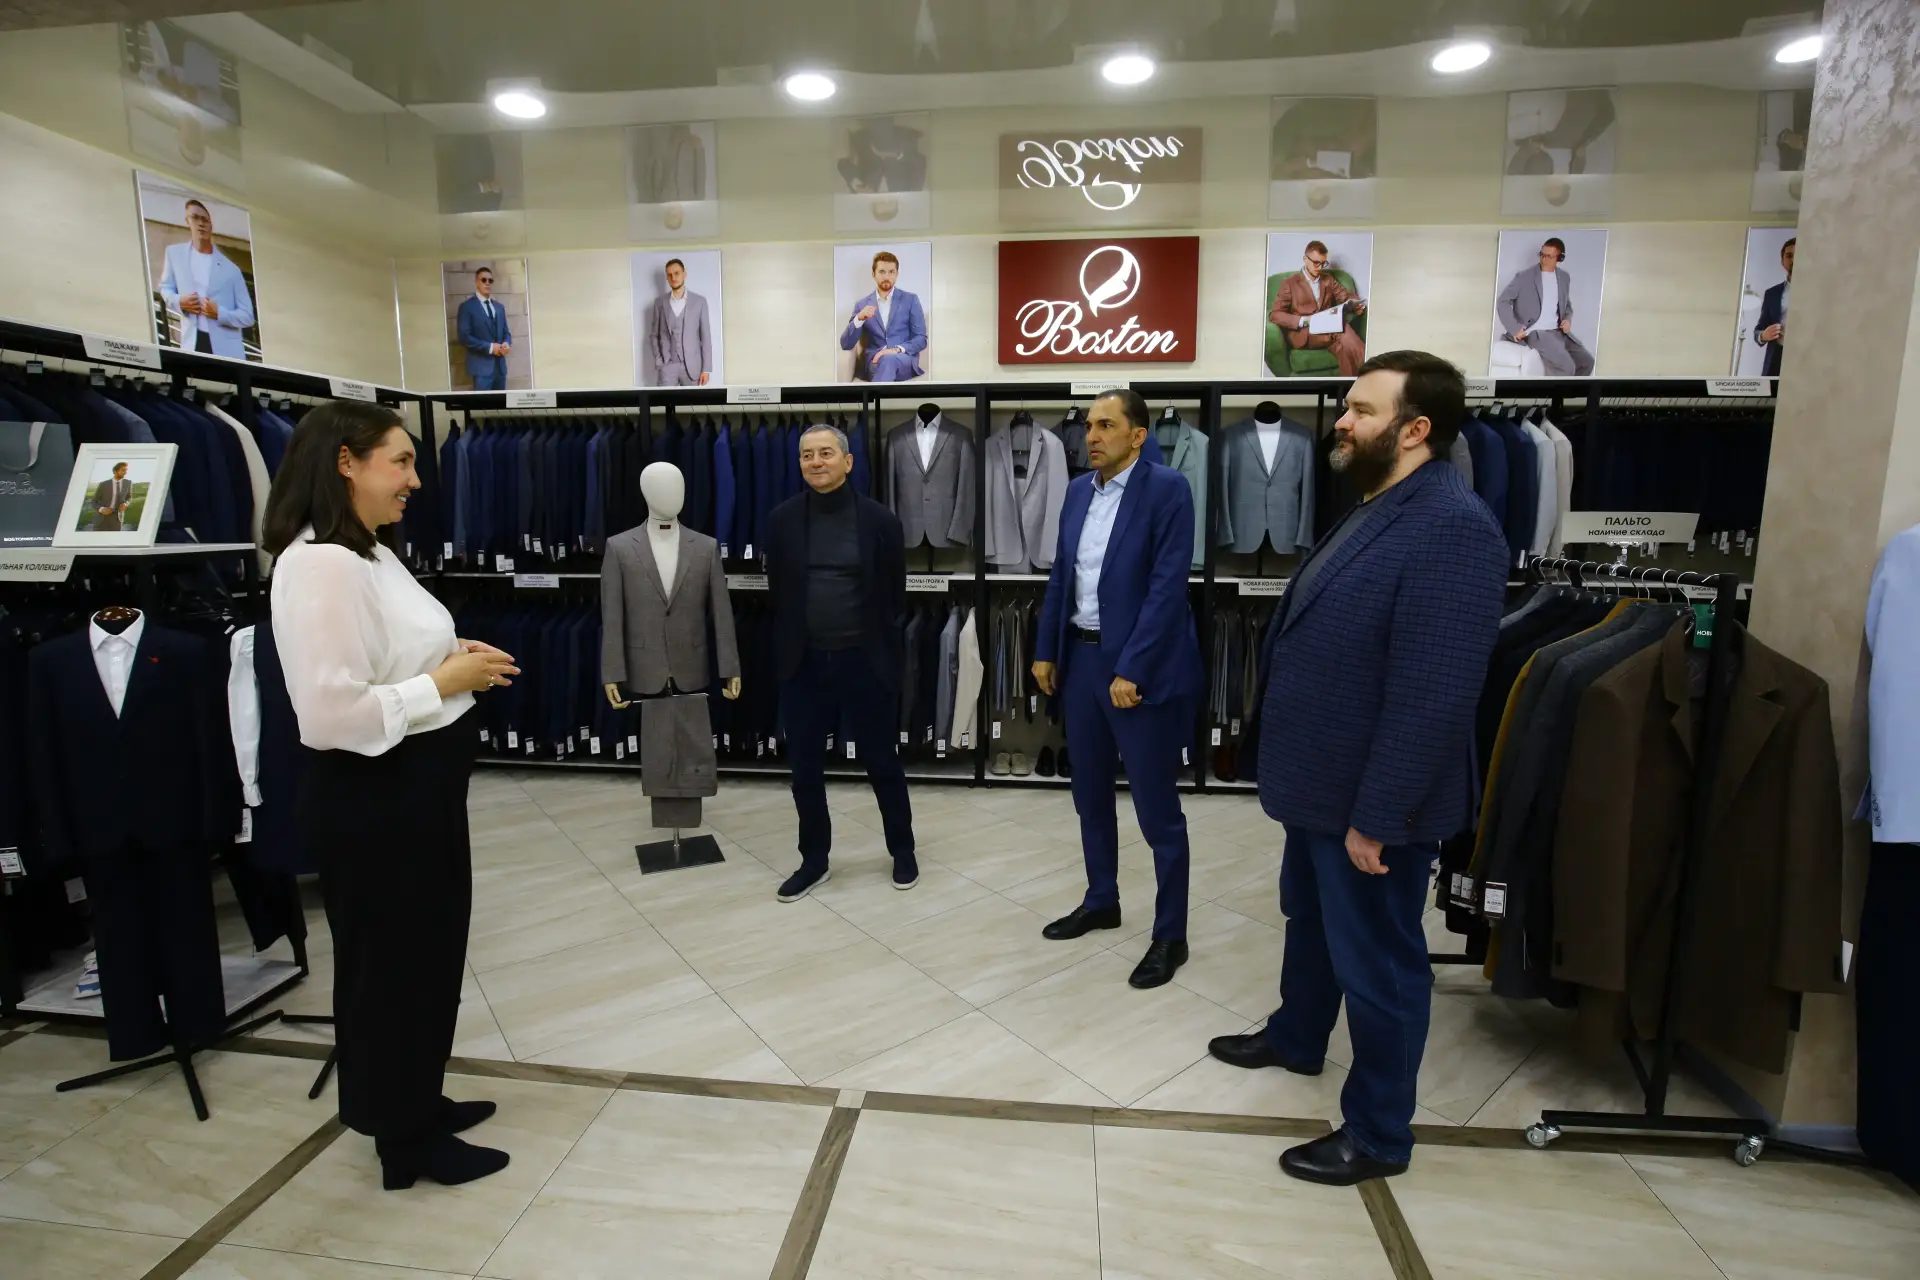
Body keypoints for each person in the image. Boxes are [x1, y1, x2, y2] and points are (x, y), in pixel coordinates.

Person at [1208, 351, 1507, 1186]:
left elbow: (1434, 694)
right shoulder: (1381, 500)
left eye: (1362, 411)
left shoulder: (1452, 525)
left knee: (1379, 965)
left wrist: (1378, 815)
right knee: (1309, 922)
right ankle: (1298, 1035)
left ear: (1416, 430)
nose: (1341, 421)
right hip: (1320, 785)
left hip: (1371, 804)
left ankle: (1378, 1133)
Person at [264, 402, 520, 1191]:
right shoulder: (323, 565)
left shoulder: (368, 552)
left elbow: (386, 653)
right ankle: (403, 1142)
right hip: (377, 797)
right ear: (346, 462)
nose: (415, 479)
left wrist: (451, 653)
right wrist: (442, 682)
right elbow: (329, 713)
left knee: (425, 956)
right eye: (401, 462)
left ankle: (416, 1100)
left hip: (414, 791)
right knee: (391, 968)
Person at [1031, 389, 1203, 989]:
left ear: (1137, 435)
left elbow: (1167, 588)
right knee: (1089, 795)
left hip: (1136, 671)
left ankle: (1171, 934)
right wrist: (1045, 649)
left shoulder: (1167, 490)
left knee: (1157, 810)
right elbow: (1063, 574)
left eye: (1106, 425)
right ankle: (1101, 899)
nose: (1091, 435)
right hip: (1079, 662)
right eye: (1088, 425)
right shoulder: (1079, 491)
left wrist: (1133, 668)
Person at [764, 423, 916, 901]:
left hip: (864, 661)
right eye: (807, 455)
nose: (816, 462)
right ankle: (814, 860)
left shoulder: (880, 521)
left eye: (826, 453)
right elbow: (778, 592)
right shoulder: (782, 521)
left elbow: (895, 595)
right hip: (803, 663)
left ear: (848, 462)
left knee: (882, 762)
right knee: (804, 770)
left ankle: (903, 850)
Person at [157, 198, 255, 358]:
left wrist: (220, 313)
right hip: (192, 343)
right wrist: (179, 301)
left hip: (227, 351)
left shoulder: (232, 270)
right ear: (187, 221)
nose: (200, 223)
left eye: (205, 220)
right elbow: (165, 288)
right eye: (195, 218)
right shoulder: (174, 254)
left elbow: (248, 316)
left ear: (211, 225)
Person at [1496, 238, 1594, 377]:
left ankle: (1571, 391)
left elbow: (1566, 304)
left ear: (1559, 258)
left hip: (1559, 332)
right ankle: (1554, 391)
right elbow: (1503, 301)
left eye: (1548, 256)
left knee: (1587, 362)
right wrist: (1514, 328)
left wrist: (1567, 319)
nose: (1543, 259)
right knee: (1566, 367)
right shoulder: (1524, 277)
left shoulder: (1564, 277)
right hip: (1537, 332)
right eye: (1542, 254)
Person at [1270, 240, 1368, 377]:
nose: (1320, 267)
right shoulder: (1289, 283)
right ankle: (1371, 368)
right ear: (1305, 259)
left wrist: (1355, 304)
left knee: (1343, 348)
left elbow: (1345, 296)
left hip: (1326, 329)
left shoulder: (1328, 279)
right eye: (1316, 262)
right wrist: (1304, 320)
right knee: (1341, 328)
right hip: (1305, 333)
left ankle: (1350, 386)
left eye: (1323, 263)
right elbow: (1275, 314)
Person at [840, 250, 927, 382]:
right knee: (884, 362)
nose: (887, 276)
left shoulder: (910, 300)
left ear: (897, 274)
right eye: (882, 272)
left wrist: (896, 350)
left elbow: (921, 339)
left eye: (891, 272)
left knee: (888, 360)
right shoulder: (862, 305)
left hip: (903, 360)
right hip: (874, 362)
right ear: (873, 274)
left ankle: (874, 395)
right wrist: (859, 319)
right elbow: (845, 344)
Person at [646, 258, 713, 387]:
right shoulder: (659, 303)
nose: (673, 278)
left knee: (692, 400)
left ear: (684, 274)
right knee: (664, 399)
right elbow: (654, 336)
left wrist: (706, 369)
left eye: (676, 273)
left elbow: (706, 337)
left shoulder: (699, 302)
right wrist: (659, 361)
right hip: (667, 366)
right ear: (667, 277)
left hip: (692, 367)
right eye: (669, 275)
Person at [456, 267, 512, 391]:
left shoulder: (499, 307)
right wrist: (490, 347)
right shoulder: (467, 307)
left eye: (490, 280)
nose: (487, 283)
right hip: (481, 369)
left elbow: (506, 332)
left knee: (501, 402)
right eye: (484, 280)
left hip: (500, 368)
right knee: (483, 403)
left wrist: (506, 343)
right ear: (477, 282)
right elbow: (464, 337)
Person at [1755, 237, 1794, 378]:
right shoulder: (1772, 294)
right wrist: (1763, 336)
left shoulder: (1820, 292)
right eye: (1789, 255)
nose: (1794, 260)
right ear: (1782, 261)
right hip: (1777, 358)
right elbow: (1759, 329)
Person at [91, 463, 133, 531]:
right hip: (102, 518)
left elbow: (129, 497)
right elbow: (93, 502)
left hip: (117, 519)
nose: (125, 472)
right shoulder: (103, 484)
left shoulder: (128, 483)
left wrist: (125, 504)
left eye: (126, 470)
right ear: (115, 471)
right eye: (123, 470)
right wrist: (101, 509)